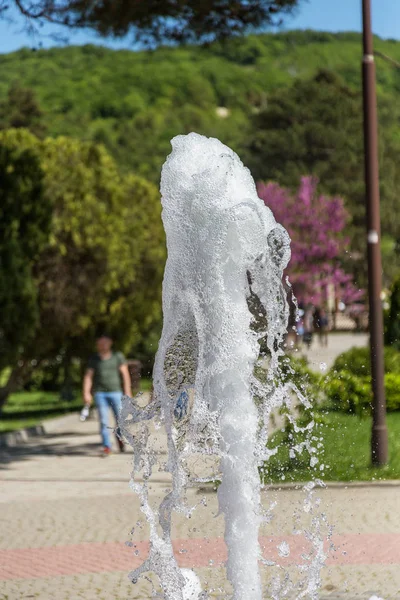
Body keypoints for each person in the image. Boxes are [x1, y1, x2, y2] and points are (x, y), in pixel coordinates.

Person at [82, 333, 131, 456]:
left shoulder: (117, 356)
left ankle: (119, 438)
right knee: (103, 421)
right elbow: (88, 376)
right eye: (100, 343)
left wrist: (127, 391)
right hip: (100, 394)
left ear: (110, 343)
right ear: (97, 345)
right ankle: (106, 446)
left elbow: (125, 374)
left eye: (105, 343)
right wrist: (86, 393)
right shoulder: (94, 359)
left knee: (120, 419)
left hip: (116, 392)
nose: (103, 345)